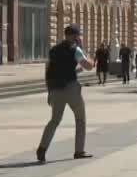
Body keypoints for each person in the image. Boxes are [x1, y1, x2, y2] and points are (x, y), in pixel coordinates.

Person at [37, 24, 95, 163]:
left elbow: (49, 72)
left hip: (56, 88)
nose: (77, 38)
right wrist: (84, 50)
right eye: (77, 36)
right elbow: (88, 66)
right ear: (75, 36)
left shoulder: (54, 51)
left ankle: (42, 148)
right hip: (71, 88)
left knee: (55, 120)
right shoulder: (75, 49)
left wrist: (49, 91)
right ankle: (79, 150)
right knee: (80, 118)